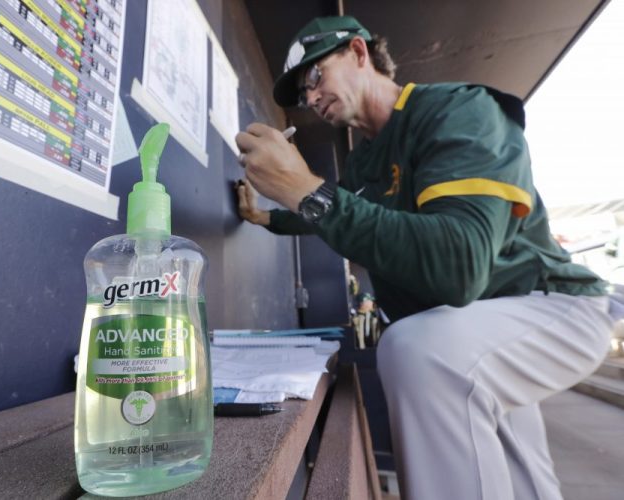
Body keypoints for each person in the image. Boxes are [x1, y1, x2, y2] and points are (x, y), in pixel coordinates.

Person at [234, 15, 618, 500]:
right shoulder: (365, 163)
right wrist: (268, 215)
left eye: (314, 76)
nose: (310, 98)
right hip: (477, 332)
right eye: (301, 95)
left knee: (417, 350)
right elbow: (329, 210)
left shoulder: (458, 110)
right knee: (525, 484)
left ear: (358, 52)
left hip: (552, 306)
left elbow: (460, 269)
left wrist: (305, 190)